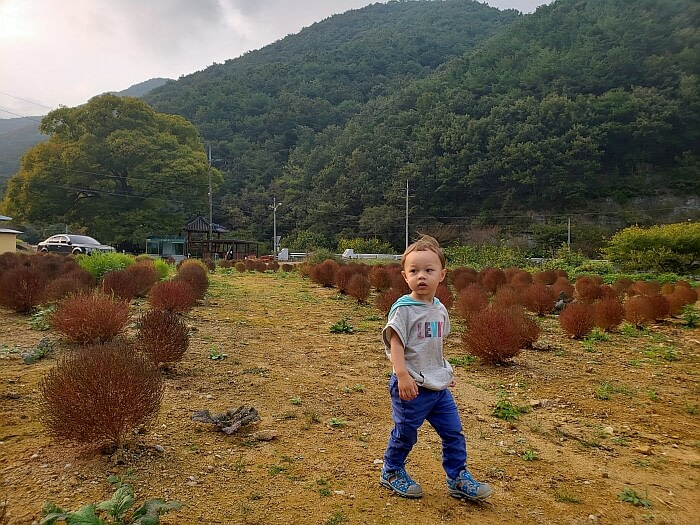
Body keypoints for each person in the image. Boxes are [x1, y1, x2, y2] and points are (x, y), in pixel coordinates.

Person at [380, 235, 493, 502]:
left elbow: (436, 344)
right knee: (405, 434)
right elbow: (395, 345)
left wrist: (442, 371)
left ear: (442, 275)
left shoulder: (440, 309)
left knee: (453, 432)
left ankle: (457, 477)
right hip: (411, 387)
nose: (421, 276)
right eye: (414, 271)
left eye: (428, 270)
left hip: (437, 386)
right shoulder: (403, 310)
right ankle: (391, 470)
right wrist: (402, 375)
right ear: (404, 276)